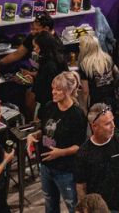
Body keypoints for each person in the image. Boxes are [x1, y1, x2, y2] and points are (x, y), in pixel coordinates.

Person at [31, 72, 88, 213]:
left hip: (66, 171)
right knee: (50, 204)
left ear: (68, 91)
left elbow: (80, 146)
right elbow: (44, 131)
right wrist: (33, 136)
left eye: (58, 89)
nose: (53, 92)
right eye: (53, 88)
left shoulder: (77, 115)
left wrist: (60, 153)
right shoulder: (49, 106)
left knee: (72, 206)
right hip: (46, 167)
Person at [75, 104, 119, 213]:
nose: (113, 126)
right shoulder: (83, 153)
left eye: (112, 121)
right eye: (107, 123)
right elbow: (81, 186)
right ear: (94, 126)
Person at [76, 34, 118, 108]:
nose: (79, 47)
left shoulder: (84, 66)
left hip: (96, 102)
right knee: (110, 117)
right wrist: (112, 85)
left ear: (84, 49)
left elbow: (85, 92)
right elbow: (117, 73)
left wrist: (85, 108)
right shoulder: (107, 58)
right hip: (111, 97)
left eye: (80, 45)